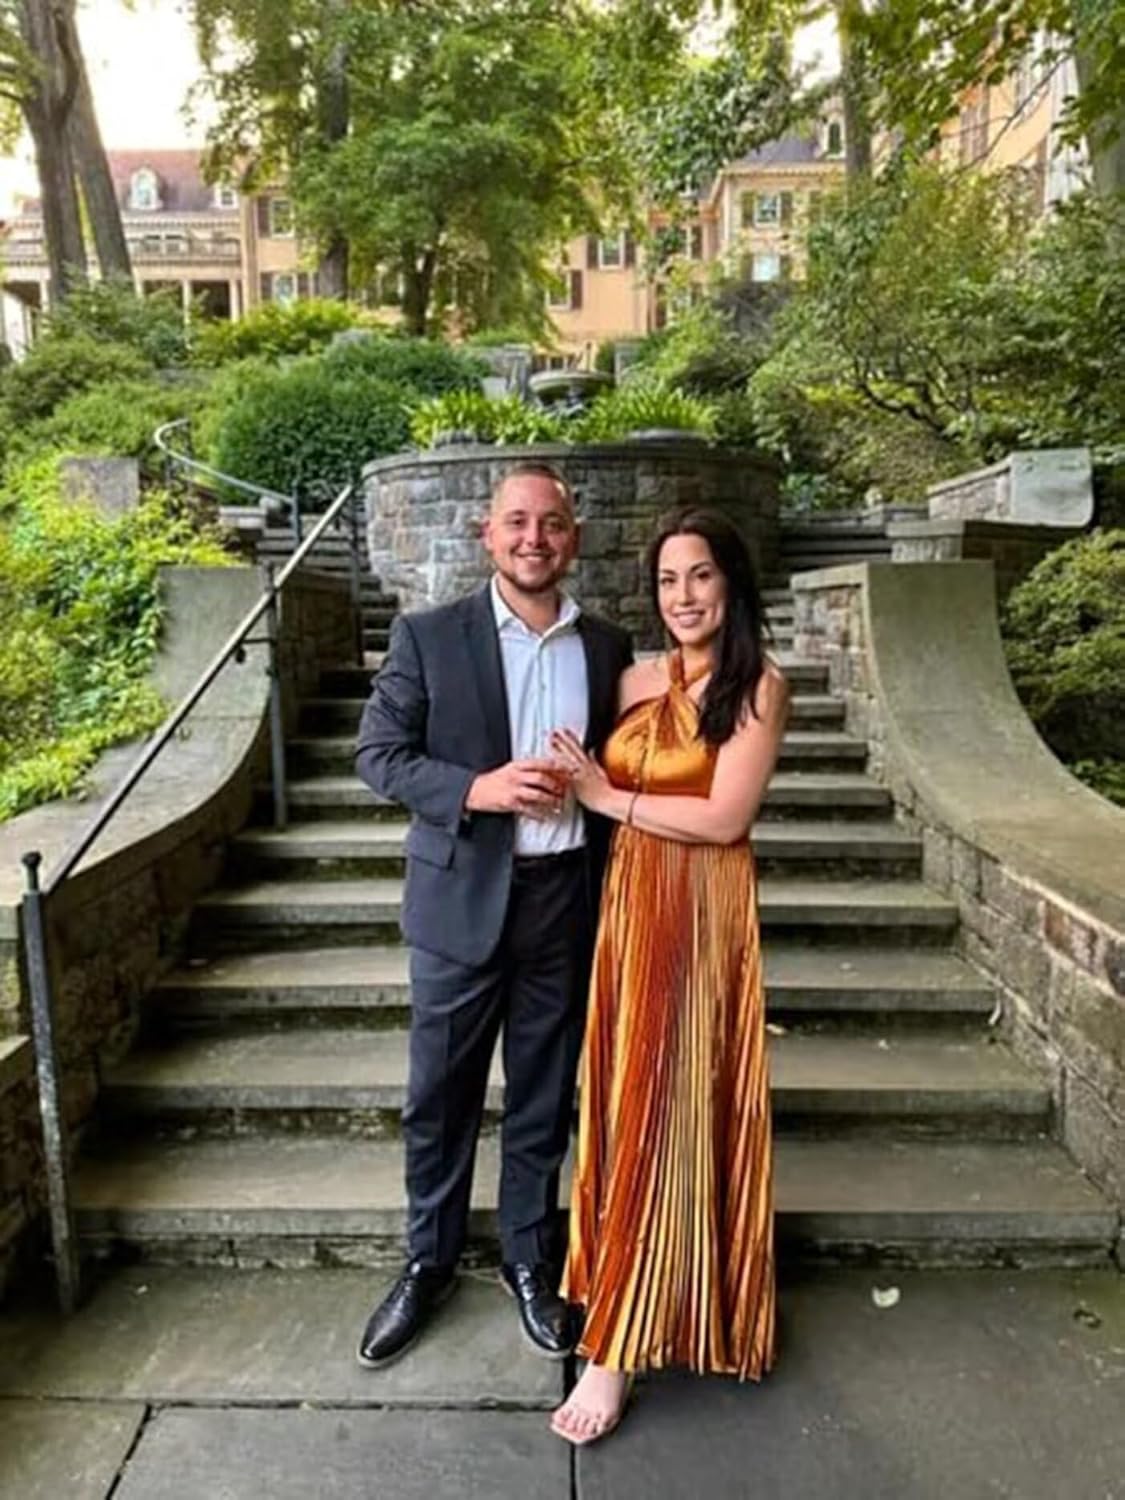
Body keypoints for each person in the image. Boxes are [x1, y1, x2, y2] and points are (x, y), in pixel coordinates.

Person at [353, 462, 633, 1369]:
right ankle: (427, 1263)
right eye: (517, 522)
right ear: (488, 533)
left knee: (544, 1097)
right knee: (439, 1097)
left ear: (573, 538)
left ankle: (528, 1260)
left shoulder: (608, 647)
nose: (533, 539)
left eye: (550, 524)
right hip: (459, 902)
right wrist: (478, 787)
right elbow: (378, 754)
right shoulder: (429, 636)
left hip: (564, 900)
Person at [547, 506, 791, 1445]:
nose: (682, 596)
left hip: (700, 910)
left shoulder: (758, 685)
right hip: (630, 900)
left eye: (700, 575)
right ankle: (644, 1283)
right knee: (622, 1097)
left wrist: (604, 795)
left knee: (670, 1099)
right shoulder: (634, 678)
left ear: (731, 581)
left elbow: (725, 818)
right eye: (666, 580)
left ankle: (614, 1348)